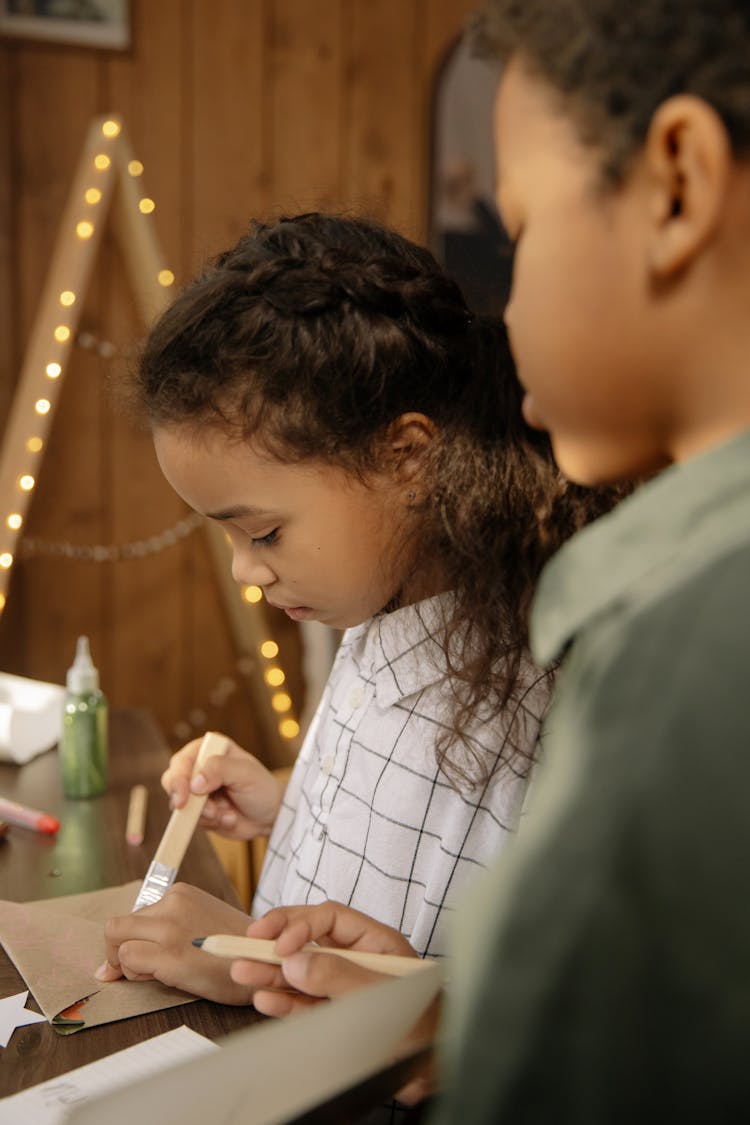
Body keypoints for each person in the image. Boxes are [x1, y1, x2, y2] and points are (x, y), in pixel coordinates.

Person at [242, 2, 750, 1121]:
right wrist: (452, 1007)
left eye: (518, 231)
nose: (507, 308)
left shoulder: (698, 628)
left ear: (676, 184)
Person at [95, 212, 614, 1004]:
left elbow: (514, 1014)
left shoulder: (528, 708)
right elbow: (390, 847)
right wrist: (290, 803)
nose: (246, 571)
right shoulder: (375, 610)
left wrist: (235, 959)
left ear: (407, 458)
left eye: (264, 531)